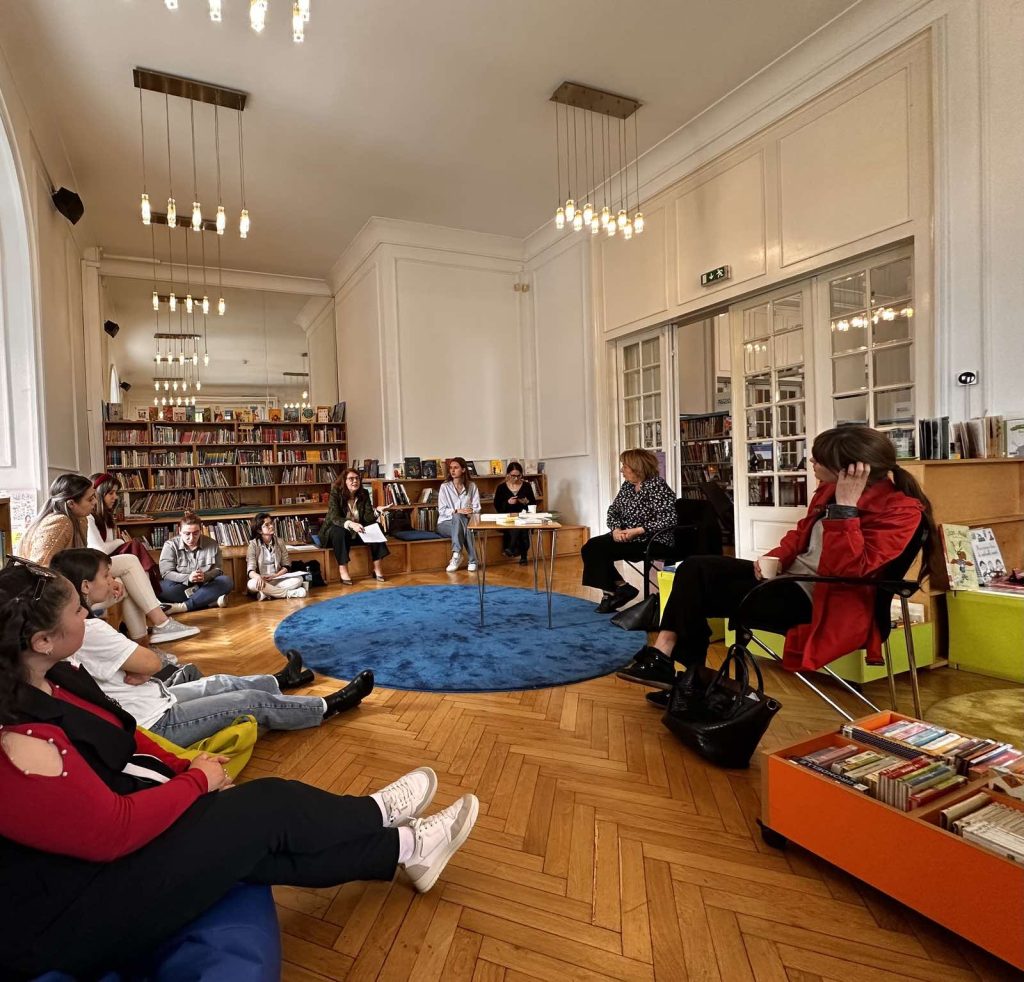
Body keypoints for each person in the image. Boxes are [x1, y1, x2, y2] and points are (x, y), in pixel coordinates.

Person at [0, 557, 479, 979]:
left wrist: (185, 764)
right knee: (268, 806)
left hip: (112, 847)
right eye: (78, 612)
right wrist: (196, 781)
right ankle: (377, 814)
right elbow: (112, 832)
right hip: (72, 911)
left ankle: (407, 848)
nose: (88, 616)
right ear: (42, 640)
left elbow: (126, 731)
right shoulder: (19, 738)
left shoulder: (56, 675)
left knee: (252, 845)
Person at [618, 426, 939, 691]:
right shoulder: (828, 490)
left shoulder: (901, 511)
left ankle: (687, 678)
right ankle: (674, 663)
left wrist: (846, 509)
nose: (810, 461)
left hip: (823, 600)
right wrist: (774, 557)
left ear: (849, 469)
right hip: (788, 581)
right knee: (695, 567)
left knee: (695, 595)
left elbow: (850, 570)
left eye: (818, 458)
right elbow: (799, 536)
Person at [51, 549, 376, 744]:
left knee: (219, 682)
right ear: (85, 586)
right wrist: (142, 666)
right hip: (155, 723)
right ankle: (326, 706)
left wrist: (138, 666)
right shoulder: (90, 629)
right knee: (249, 702)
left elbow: (142, 666)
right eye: (107, 576)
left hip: (150, 701)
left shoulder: (71, 625)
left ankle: (281, 680)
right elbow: (152, 663)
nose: (114, 581)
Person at [86, 472, 198, 643]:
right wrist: (120, 541)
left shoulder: (106, 518)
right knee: (132, 556)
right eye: (111, 493)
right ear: (99, 493)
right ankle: (160, 621)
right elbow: (99, 550)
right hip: (95, 567)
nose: (115, 497)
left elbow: (106, 549)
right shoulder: (88, 518)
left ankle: (143, 642)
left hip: (106, 565)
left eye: (116, 493)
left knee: (129, 584)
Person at [581, 449, 677, 612]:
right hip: (627, 535)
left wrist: (638, 531)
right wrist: (616, 529)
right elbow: (613, 511)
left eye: (625, 466)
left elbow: (669, 519)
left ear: (637, 467)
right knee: (591, 547)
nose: (621, 470)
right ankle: (619, 588)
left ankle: (612, 594)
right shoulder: (627, 486)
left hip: (652, 539)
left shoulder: (657, 486)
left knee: (600, 549)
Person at [319, 469, 391, 585]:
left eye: (357, 478)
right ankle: (343, 570)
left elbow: (367, 518)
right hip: (336, 532)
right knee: (340, 532)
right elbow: (334, 517)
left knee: (376, 526)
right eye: (351, 479)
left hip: (356, 532)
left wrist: (377, 511)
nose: (355, 481)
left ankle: (377, 568)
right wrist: (351, 524)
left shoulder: (364, 493)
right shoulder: (336, 493)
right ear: (344, 481)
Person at [159, 511, 234, 612]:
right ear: (179, 531)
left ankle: (184, 606)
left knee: (226, 581)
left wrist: (206, 576)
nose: (191, 538)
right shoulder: (170, 545)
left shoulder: (212, 544)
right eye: (187, 534)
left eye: (195, 533)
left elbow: (218, 570)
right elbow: (166, 573)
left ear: (201, 530)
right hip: (181, 585)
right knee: (161, 587)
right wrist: (188, 578)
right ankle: (209, 601)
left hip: (206, 584)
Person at [17, 473, 93, 566]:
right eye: (90, 499)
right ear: (71, 504)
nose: (95, 502)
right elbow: (41, 567)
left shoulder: (81, 519)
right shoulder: (60, 522)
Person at [246, 512, 308, 600]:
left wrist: (275, 575)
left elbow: (287, 565)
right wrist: (258, 577)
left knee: (299, 579)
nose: (271, 526)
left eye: (271, 523)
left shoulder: (280, 542)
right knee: (251, 584)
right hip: (261, 580)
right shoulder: (253, 545)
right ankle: (289, 593)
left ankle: (267, 593)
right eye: (267, 525)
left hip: (276, 579)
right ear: (259, 530)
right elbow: (250, 570)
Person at [437, 457, 481, 573]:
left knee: (463, 524)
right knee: (460, 520)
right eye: (451, 468)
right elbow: (442, 510)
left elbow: (477, 508)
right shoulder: (444, 487)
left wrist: (471, 512)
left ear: (463, 470)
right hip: (445, 523)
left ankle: (456, 555)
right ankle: (472, 560)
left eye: (456, 468)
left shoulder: (472, 486)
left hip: (467, 521)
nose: (452, 470)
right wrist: (457, 511)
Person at [493, 461, 536, 565]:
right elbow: (497, 505)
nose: (516, 478)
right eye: (513, 476)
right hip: (506, 517)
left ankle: (511, 548)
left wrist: (525, 502)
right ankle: (522, 556)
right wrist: (508, 503)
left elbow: (533, 503)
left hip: (523, 516)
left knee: (521, 526)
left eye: (518, 476)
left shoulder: (526, 486)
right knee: (518, 526)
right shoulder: (501, 487)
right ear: (508, 474)